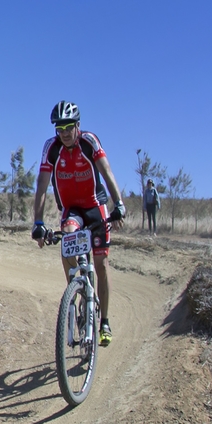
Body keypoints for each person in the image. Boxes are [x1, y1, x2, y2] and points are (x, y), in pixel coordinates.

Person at [31, 101, 126, 347]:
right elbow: (41, 186)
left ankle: (104, 321)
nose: (64, 132)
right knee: (68, 237)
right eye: (59, 128)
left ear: (78, 126)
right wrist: (38, 222)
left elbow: (107, 172)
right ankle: (77, 287)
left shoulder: (89, 142)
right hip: (72, 210)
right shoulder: (51, 149)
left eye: (68, 127)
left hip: (95, 207)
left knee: (101, 264)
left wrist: (119, 204)